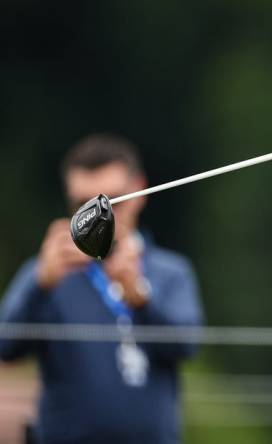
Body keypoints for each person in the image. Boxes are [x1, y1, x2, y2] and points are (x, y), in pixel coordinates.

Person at [0, 134, 204, 444]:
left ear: (139, 191)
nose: (100, 219)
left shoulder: (170, 272)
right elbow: (6, 347)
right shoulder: (45, 272)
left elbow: (187, 345)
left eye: (112, 202)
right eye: (83, 205)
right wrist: (38, 286)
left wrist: (140, 297)